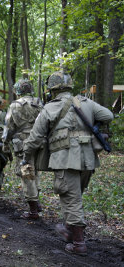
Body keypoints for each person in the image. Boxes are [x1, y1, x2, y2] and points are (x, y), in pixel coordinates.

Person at [22, 71, 113, 255]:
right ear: (70, 85)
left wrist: (26, 155)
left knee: (71, 200)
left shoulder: (50, 108)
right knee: (76, 196)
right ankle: (70, 230)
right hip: (87, 159)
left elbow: (35, 137)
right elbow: (108, 115)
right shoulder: (85, 102)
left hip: (64, 159)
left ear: (52, 89)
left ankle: (79, 244)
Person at [2, 79, 43, 219]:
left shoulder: (15, 105)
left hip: (23, 142)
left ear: (17, 91)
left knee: (27, 173)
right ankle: (36, 202)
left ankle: (33, 210)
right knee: (35, 171)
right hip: (39, 140)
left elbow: (9, 126)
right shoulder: (39, 102)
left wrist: (5, 142)